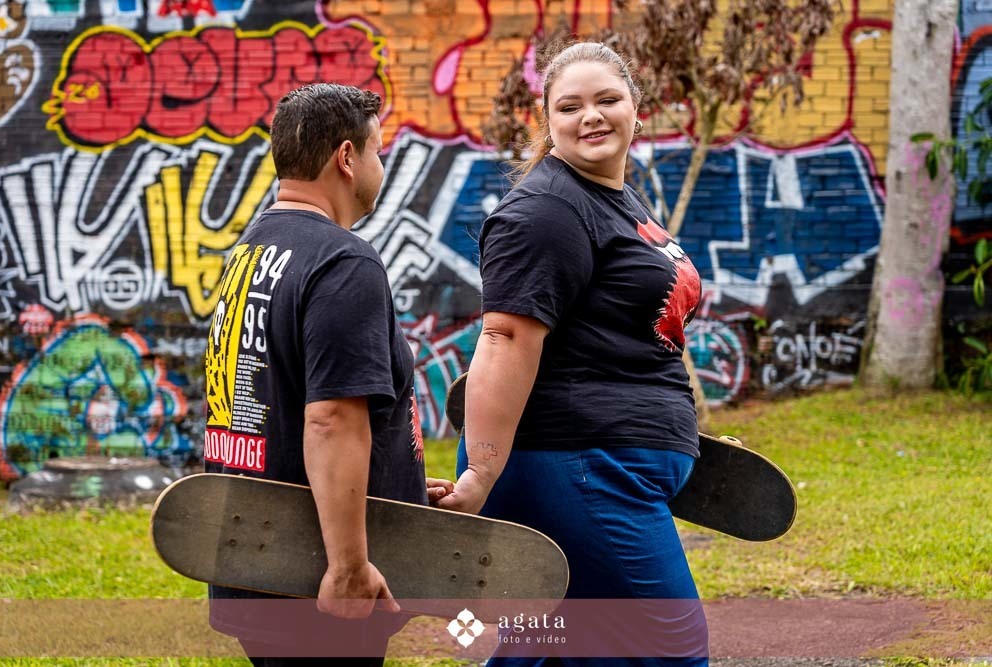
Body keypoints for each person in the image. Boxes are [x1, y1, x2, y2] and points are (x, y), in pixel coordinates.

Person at [435, 42, 710, 665]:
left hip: (601, 463)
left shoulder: (611, 197)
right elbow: (505, 340)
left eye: (607, 100)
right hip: (580, 465)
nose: (591, 116)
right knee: (669, 649)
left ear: (636, 108)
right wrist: (480, 475)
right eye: (570, 106)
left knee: (550, 647)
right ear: (548, 119)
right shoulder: (546, 211)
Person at [203, 83, 438, 666]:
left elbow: (273, 400)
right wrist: (349, 566)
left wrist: (397, 486)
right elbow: (331, 419)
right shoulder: (343, 261)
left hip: (255, 558)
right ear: (346, 157)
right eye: (378, 151)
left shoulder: (251, 251)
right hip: (317, 576)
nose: (381, 166)